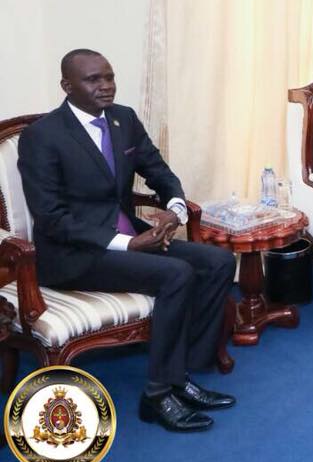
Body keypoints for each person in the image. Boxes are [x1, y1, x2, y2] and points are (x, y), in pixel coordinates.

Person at [18, 49, 237, 432]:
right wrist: (127, 243)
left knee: (218, 262)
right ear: (67, 86)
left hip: (130, 236)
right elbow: (51, 217)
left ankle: (181, 375)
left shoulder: (124, 119)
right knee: (177, 274)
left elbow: (159, 171)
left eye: (109, 77)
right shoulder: (43, 136)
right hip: (74, 255)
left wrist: (175, 210)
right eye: (93, 80)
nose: (106, 86)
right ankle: (157, 395)